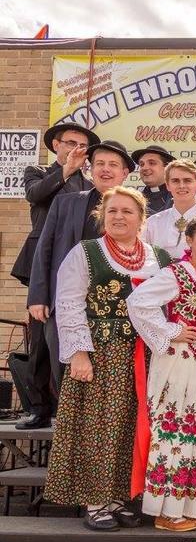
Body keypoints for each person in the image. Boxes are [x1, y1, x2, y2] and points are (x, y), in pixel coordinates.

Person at [44, 187, 172, 531]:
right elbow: (69, 303)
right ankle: (96, 502)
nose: (119, 217)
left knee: (133, 425)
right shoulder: (86, 253)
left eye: (127, 212)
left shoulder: (159, 257)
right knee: (100, 427)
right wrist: (79, 354)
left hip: (145, 354)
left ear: (141, 219)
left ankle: (121, 497)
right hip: (102, 351)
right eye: (112, 210)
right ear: (103, 215)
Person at [127, 216, 196, 532]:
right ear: (190, 241)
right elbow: (138, 301)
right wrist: (171, 331)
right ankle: (167, 511)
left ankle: (190, 505)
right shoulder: (175, 273)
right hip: (177, 359)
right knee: (175, 429)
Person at [28, 139, 133, 410]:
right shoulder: (65, 203)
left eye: (113, 165)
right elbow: (45, 249)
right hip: (65, 305)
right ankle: (67, 429)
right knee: (64, 369)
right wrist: (38, 295)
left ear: (125, 173)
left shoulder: (137, 210)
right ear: (90, 169)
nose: (105, 170)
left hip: (117, 313)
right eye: (99, 164)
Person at [13, 122, 98, 430]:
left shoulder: (86, 185)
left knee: (66, 337)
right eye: (70, 142)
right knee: (40, 341)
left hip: (74, 268)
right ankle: (38, 408)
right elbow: (35, 196)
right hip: (42, 265)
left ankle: (66, 405)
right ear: (57, 145)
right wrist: (64, 171)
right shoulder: (37, 171)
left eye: (82, 145)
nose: (76, 148)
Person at [143, 160, 196, 260]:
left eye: (187, 180)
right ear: (168, 186)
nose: (181, 186)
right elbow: (146, 259)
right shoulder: (152, 223)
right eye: (175, 181)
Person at [131, 145, 174, 215]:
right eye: (142, 164)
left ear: (167, 168)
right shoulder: (134, 200)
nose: (145, 168)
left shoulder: (180, 198)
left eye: (152, 163)